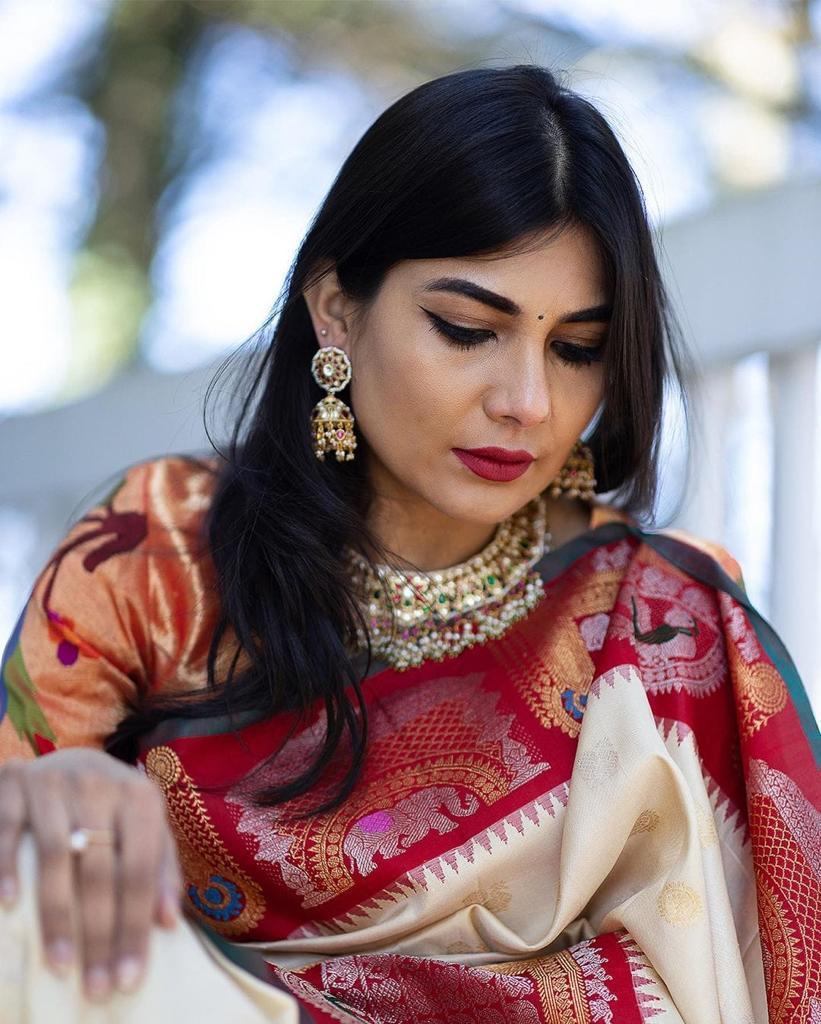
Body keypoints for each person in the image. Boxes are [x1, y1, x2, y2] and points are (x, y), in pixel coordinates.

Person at [0, 63, 817, 1024]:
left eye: (576, 349)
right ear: (335, 310)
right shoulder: (162, 552)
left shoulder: (652, 622)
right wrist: (54, 788)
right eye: (467, 328)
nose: (528, 402)